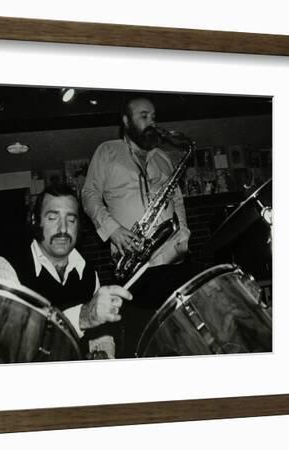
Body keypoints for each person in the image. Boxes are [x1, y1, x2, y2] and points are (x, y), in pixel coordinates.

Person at [81, 97, 195, 356]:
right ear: (126, 121)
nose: (151, 122)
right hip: (135, 267)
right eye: (144, 116)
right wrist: (113, 230)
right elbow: (89, 193)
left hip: (174, 262)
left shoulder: (163, 158)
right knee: (145, 343)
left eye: (153, 117)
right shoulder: (107, 152)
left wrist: (184, 233)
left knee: (185, 338)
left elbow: (177, 198)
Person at [0, 184, 132, 358]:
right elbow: (11, 342)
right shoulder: (5, 267)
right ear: (35, 220)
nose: (63, 229)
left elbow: (101, 333)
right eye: (52, 218)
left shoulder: (88, 272)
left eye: (71, 220)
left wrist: (103, 352)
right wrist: (82, 317)